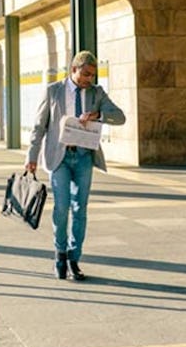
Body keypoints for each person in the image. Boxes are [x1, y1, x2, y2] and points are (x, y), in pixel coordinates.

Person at [25, 50, 126, 280]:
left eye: (92, 75)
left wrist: (99, 113)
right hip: (59, 157)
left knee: (80, 209)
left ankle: (74, 259)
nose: (89, 79)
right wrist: (31, 156)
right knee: (62, 207)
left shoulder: (97, 93)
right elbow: (39, 126)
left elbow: (120, 117)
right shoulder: (54, 91)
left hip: (83, 158)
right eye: (86, 74)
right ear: (74, 69)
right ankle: (59, 253)